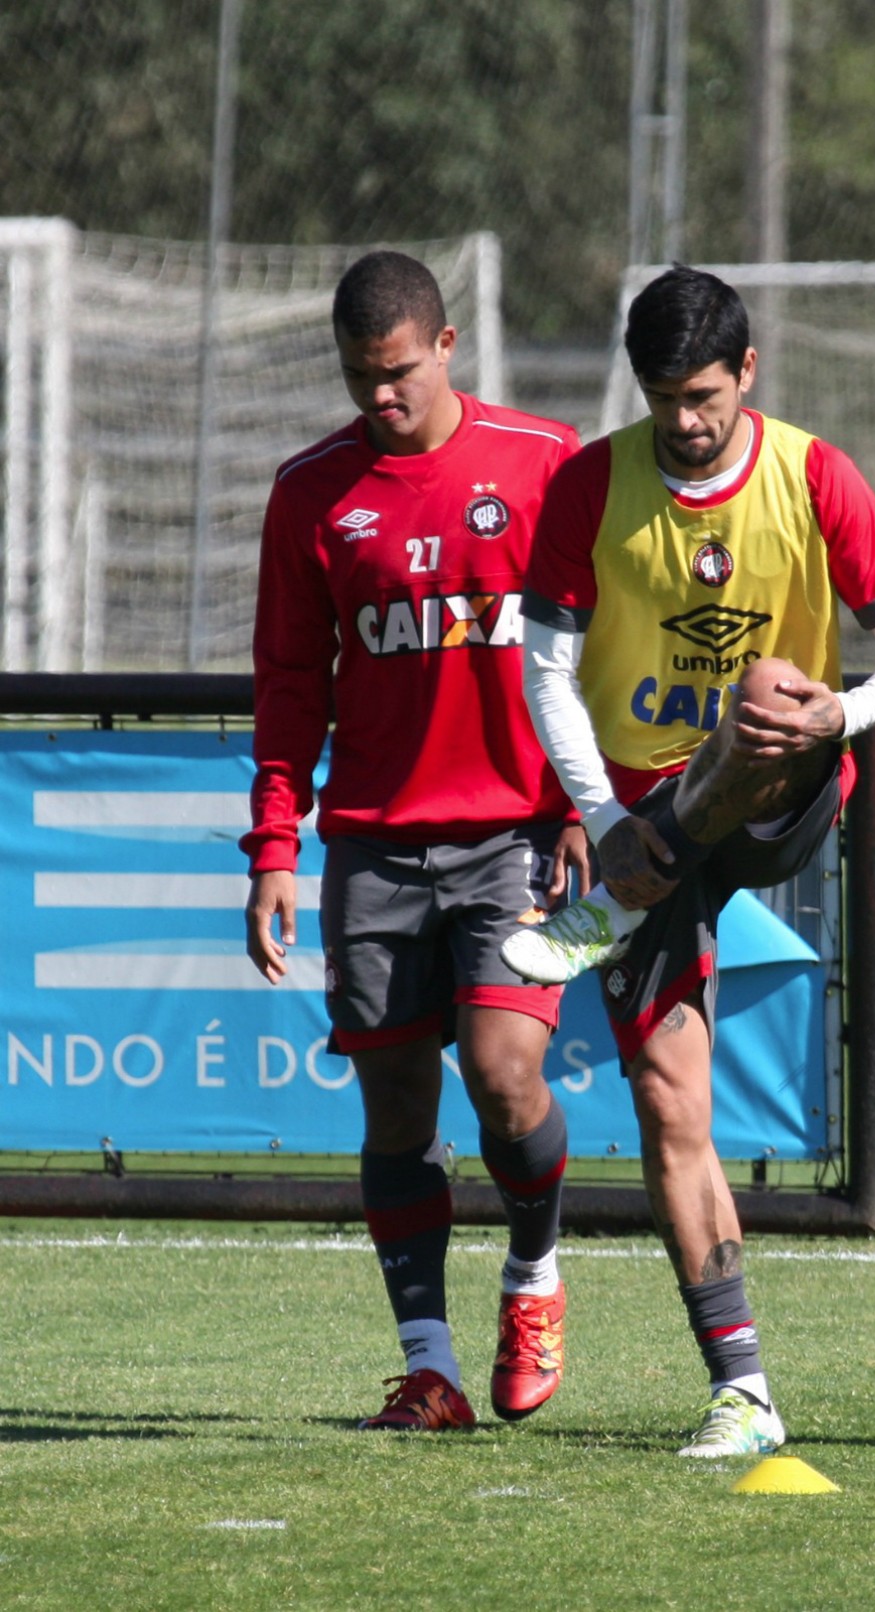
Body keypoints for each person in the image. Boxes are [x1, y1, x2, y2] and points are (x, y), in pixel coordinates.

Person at [502, 264, 875, 1457]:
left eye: (703, 395)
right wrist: (603, 816)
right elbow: (546, 669)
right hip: (641, 828)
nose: (686, 421)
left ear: (747, 372)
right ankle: (744, 1391)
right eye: (664, 399)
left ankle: (622, 896)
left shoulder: (814, 474)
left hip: (779, 788)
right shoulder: (591, 484)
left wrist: (843, 714)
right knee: (668, 1100)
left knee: (762, 693)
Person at [242, 250, 588, 1433]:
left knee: (504, 1075)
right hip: (376, 848)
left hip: (513, 833)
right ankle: (429, 1368)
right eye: (358, 377)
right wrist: (274, 847)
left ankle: (534, 1274)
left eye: (396, 371)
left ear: (446, 346)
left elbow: (599, 645)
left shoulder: (543, 461)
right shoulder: (312, 492)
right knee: (395, 1107)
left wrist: (586, 803)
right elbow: (291, 682)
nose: (379, 396)